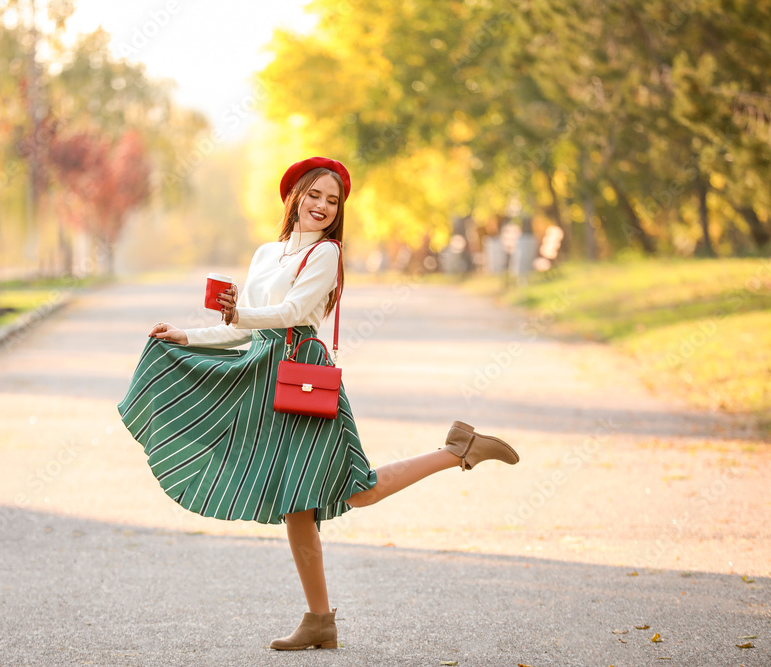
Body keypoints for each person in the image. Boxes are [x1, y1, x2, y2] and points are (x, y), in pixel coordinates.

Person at [117, 156, 520, 651]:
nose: (323, 207)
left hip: (302, 375)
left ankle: (459, 450)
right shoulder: (266, 253)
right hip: (262, 372)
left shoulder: (327, 254)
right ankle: (319, 621)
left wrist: (241, 310)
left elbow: (288, 313)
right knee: (297, 506)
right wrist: (187, 334)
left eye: (333, 201)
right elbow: (241, 329)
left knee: (357, 491)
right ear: (295, 196)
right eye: (315, 196)